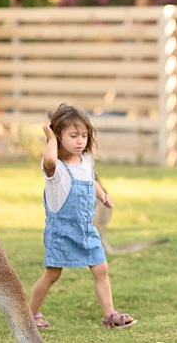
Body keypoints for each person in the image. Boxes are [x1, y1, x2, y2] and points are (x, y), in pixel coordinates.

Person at [28, 103, 136, 330]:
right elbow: (48, 160)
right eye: (73, 135)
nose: (80, 141)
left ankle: (110, 315)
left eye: (84, 135)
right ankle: (30, 314)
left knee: (101, 269)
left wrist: (103, 195)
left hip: (86, 229)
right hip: (61, 231)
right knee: (52, 274)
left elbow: (90, 180)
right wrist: (49, 139)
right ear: (58, 137)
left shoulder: (86, 161)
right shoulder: (54, 167)